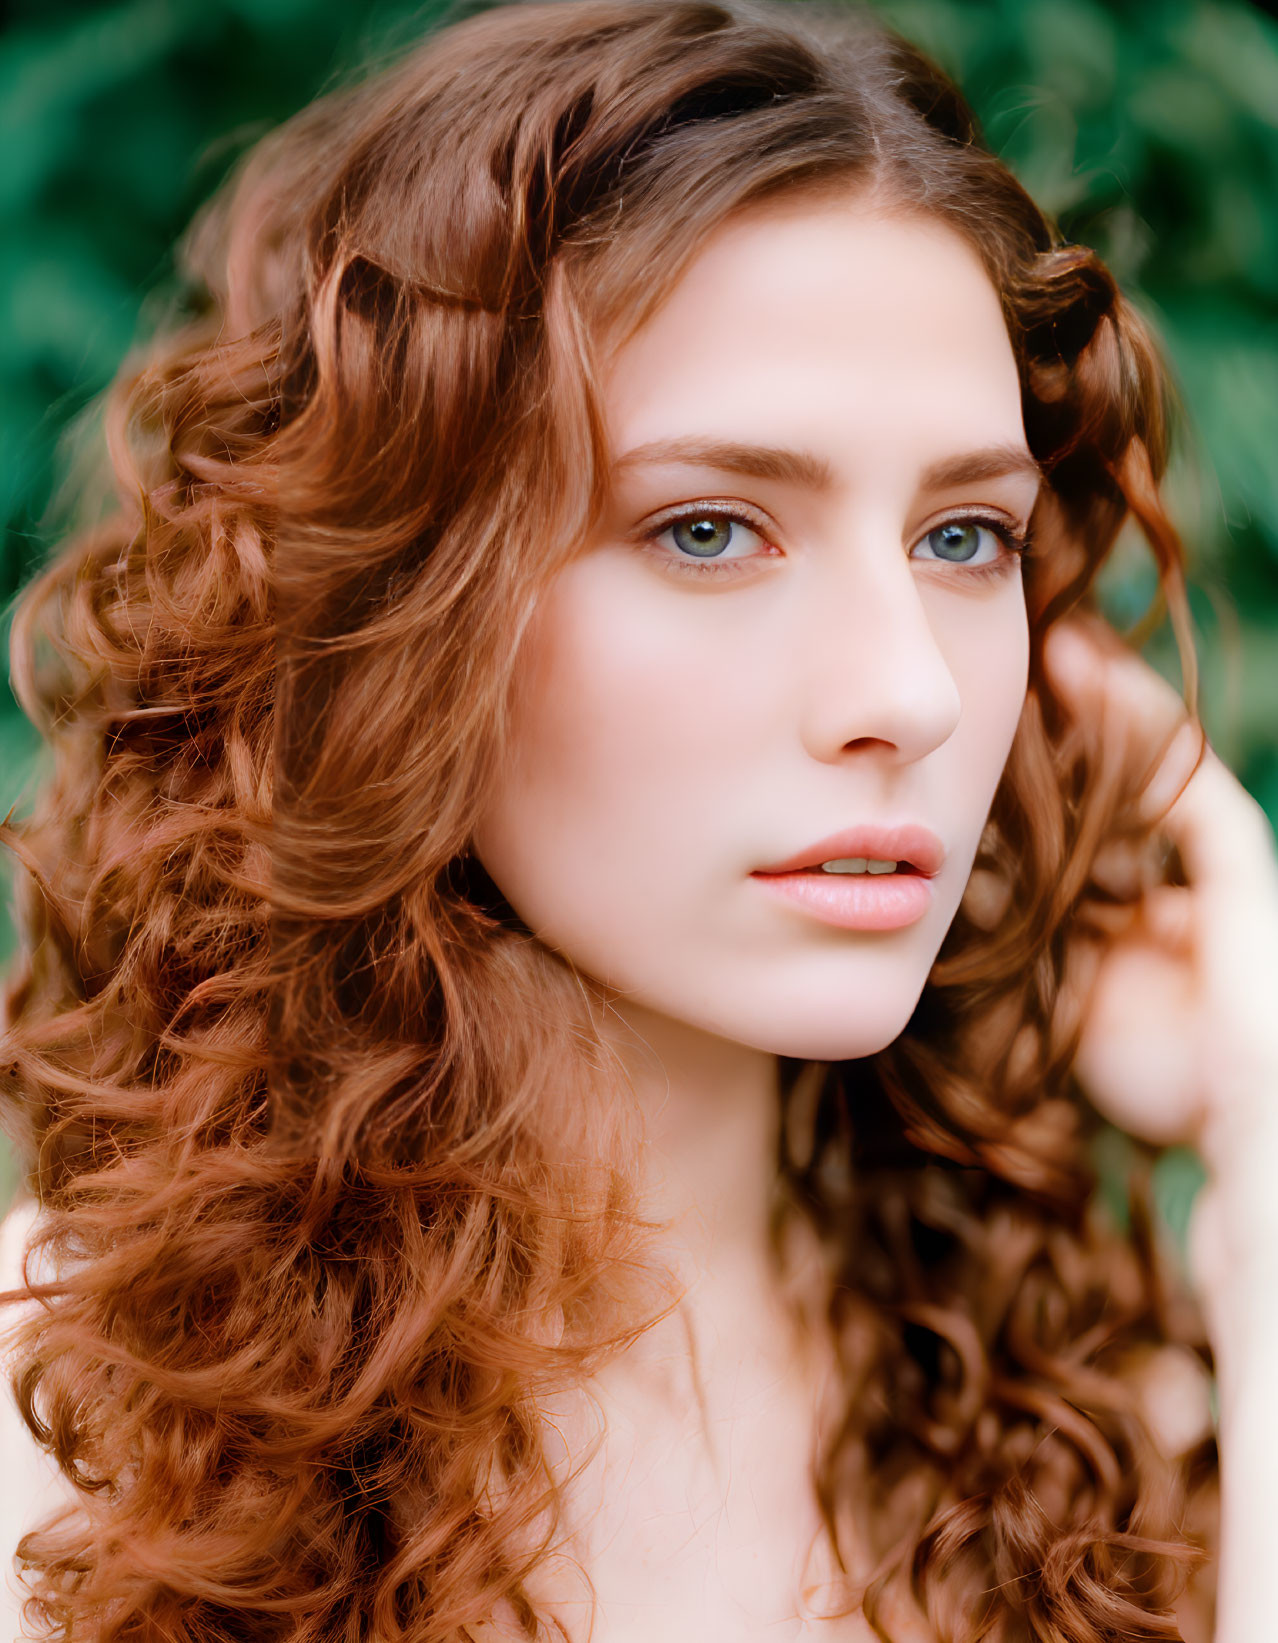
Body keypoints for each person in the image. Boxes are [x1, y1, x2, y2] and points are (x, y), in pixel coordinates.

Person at [1, 0, 1274, 1638]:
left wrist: (1260, 1143)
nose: (909, 691)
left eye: (962, 539)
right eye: (708, 529)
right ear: (396, 603)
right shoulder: (78, 1427)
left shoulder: (1118, 1410)